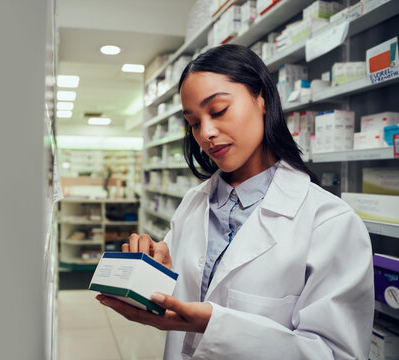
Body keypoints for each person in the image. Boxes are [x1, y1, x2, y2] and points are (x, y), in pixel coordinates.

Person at [96, 44, 374, 360]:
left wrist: (217, 326)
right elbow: (182, 295)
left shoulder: (331, 222)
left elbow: (337, 354)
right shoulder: (193, 203)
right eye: (194, 122)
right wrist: (155, 271)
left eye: (218, 110)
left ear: (262, 99)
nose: (206, 133)